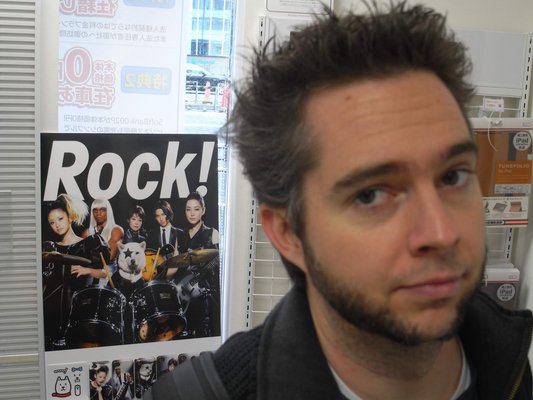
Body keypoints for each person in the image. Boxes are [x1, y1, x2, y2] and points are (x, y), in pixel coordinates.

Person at [146, 2, 533, 400]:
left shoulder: (512, 365)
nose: (441, 232)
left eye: (452, 176)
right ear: (289, 232)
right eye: (370, 195)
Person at [42, 194, 110, 350]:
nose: (57, 225)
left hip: (81, 318)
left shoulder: (89, 244)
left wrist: (87, 270)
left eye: (60, 219)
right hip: (52, 320)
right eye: (52, 222)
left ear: (70, 217)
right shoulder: (49, 249)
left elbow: (105, 273)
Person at [171, 191, 220, 337]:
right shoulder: (180, 235)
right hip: (183, 293)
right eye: (188, 209)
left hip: (204, 293)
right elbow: (174, 263)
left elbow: (219, 260)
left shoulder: (212, 233)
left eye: (196, 209)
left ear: (203, 211)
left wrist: (200, 275)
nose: (192, 213)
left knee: (202, 333)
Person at [83, 197, 124, 263]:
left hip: (109, 268)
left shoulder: (116, 230)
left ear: (108, 211)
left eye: (102, 210)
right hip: (88, 268)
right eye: (95, 210)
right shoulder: (86, 232)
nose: (98, 213)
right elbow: (80, 257)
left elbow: (109, 257)